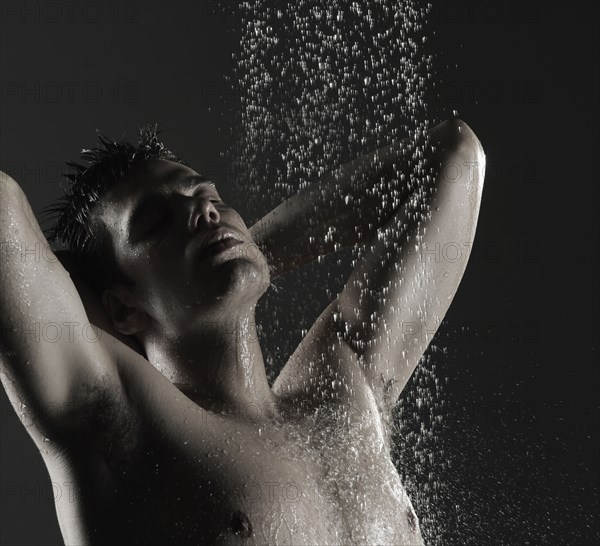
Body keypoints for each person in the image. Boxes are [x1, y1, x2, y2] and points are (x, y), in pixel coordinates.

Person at [0, 118, 485, 545]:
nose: (205, 213)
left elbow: (453, 157)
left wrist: (242, 255)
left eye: (208, 198)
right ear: (120, 310)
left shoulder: (343, 395)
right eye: (155, 224)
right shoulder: (126, 427)